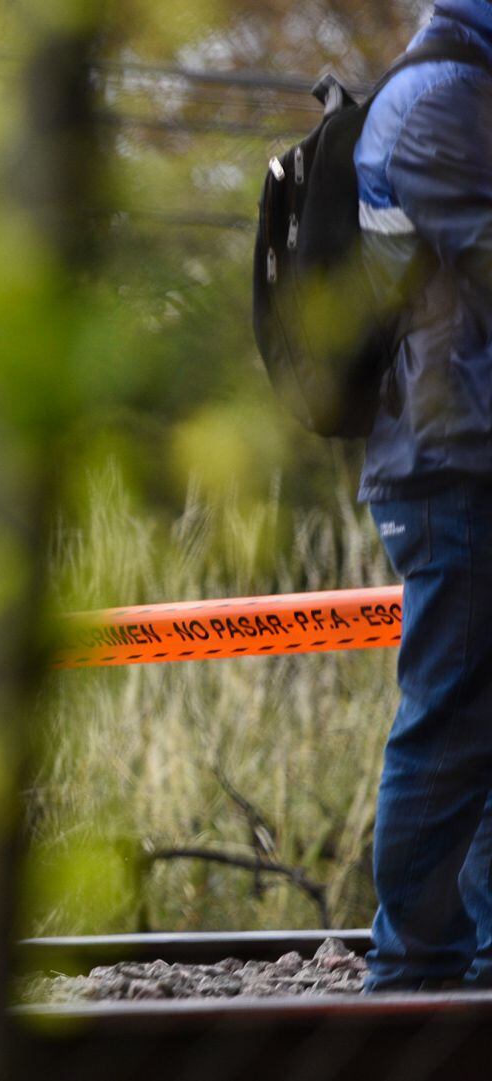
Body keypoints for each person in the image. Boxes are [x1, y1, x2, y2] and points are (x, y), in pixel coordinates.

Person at [354, 0, 492, 992]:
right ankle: (414, 970)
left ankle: (470, 953)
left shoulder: (456, 86)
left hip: (465, 446)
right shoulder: (441, 99)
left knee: (473, 720)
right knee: (446, 719)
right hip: (449, 459)